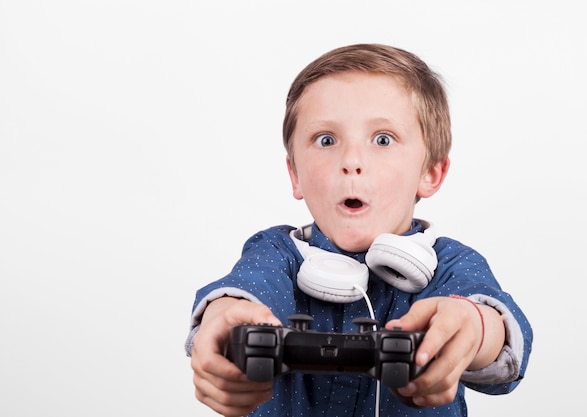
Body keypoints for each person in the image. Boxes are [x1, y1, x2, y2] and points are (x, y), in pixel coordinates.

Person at [185, 43, 533, 417]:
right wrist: (222, 318)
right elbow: (246, 291)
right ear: (295, 174)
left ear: (430, 172)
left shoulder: (449, 264)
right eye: (326, 140)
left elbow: (501, 338)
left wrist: (474, 327)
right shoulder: (276, 252)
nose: (351, 161)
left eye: (383, 139)